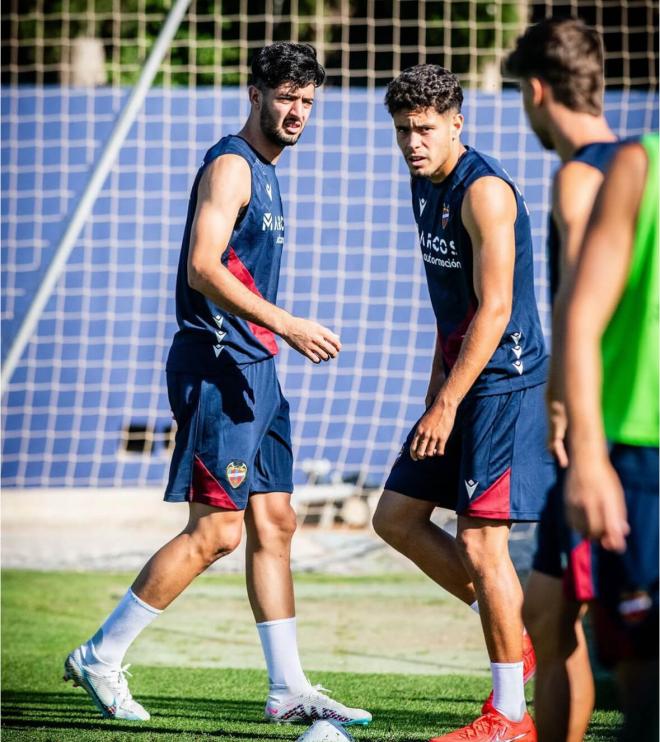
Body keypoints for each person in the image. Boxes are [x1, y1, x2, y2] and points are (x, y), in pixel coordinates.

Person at [63, 41, 371, 728]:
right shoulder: (232, 165)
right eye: (287, 96)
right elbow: (204, 266)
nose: (297, 111)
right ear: (256, 93)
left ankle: (288, 687)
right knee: (218, 534)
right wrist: (285, 322)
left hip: (257, 370)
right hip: (219, 365)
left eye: (308, 101)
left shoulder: (269, 170)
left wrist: (273, 338)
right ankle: (101, 654)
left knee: (276, 521)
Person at [373, 64, 552, 740]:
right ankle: (520, 638)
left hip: (503, 384)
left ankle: (510, 716)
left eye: (423, 129)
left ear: (457, 122)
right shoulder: (422, 183)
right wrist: (433, 397)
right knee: (395, 518)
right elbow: (452, 310)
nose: (412, 142)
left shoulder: (486, 194)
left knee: (482, 543)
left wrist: (447, 403)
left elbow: (497, 308)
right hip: (458, 380)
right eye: (401, 130)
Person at [504, 18, 620, 740]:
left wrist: (568, 417)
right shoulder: (634, 163)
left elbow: (581, 311)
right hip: (600, 429)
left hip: (599, 439)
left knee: (614, 633)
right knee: (549, 612)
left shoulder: (577, 178)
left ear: (539, 91)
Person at [563, 134, 659, 741]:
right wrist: (590, 457)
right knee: (646, 691)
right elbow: (581, 317)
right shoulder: (639, 165)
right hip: (642, 457)